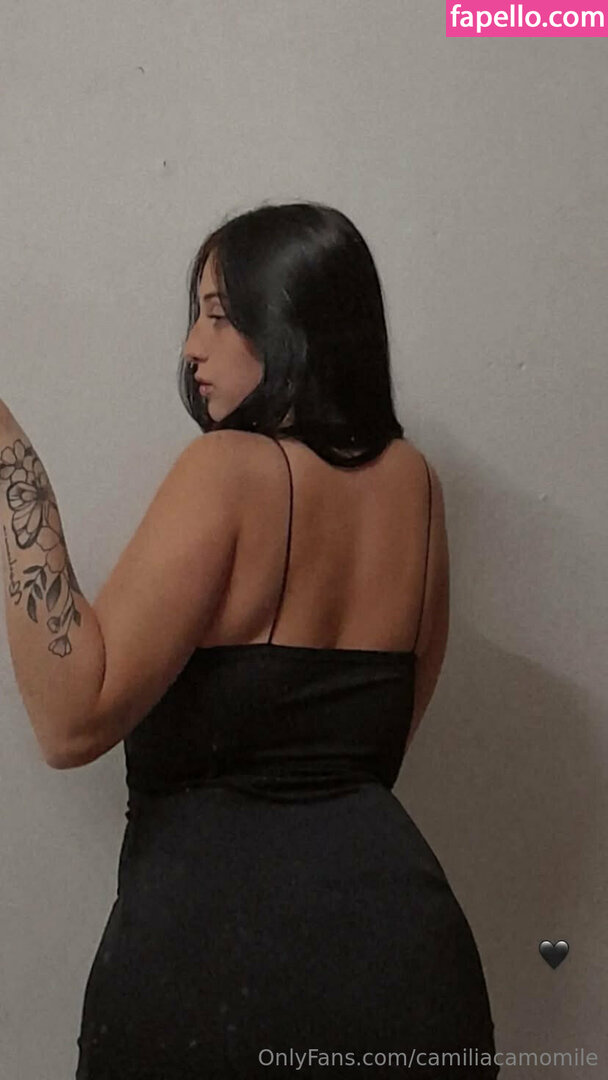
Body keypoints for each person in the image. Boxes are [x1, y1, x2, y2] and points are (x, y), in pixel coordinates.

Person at [75, 201, 499, 1078]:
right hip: (410, 965)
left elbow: (69, 717)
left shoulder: (225, 468)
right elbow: (381, 752)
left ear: (291, 322)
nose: (191, 348)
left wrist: (13, 470)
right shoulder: (416, 487)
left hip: (210, 971)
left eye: (218, 316)